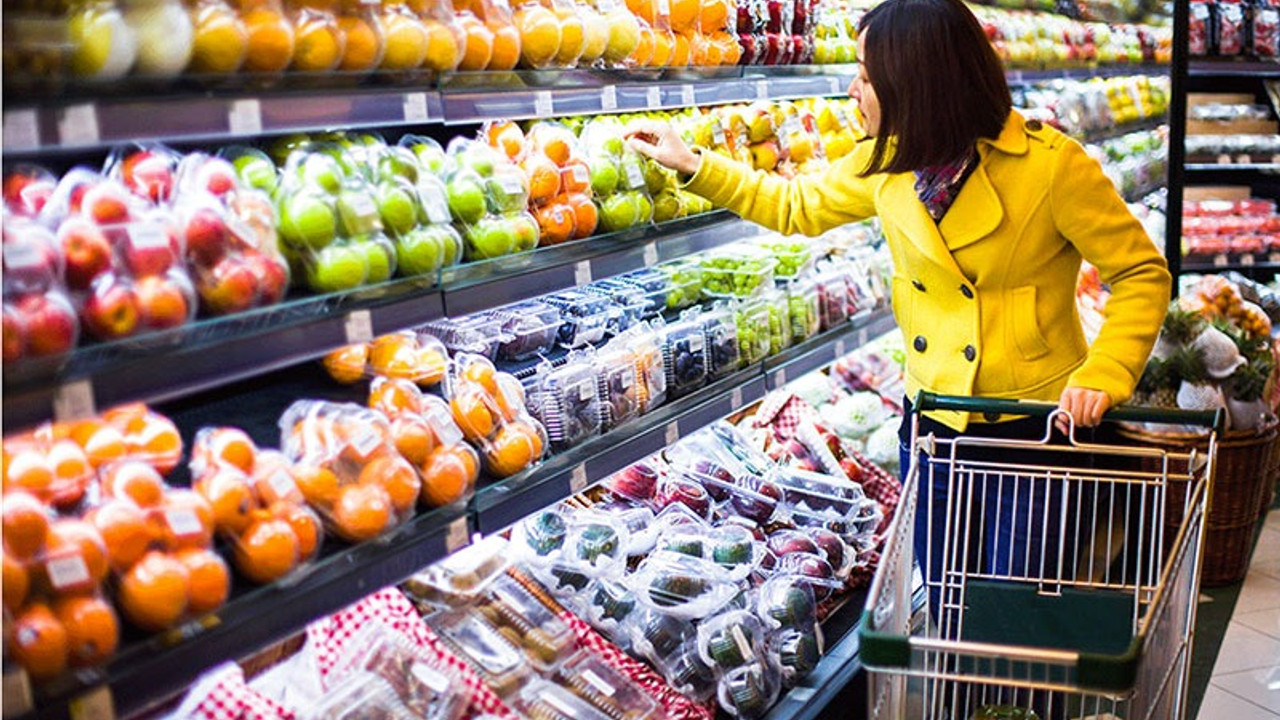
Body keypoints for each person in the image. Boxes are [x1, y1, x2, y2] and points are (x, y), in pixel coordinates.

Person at [626, 0, 1171, 708]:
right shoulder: (889, 165)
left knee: (1009, 618)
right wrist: (694, 163)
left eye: (864, 75)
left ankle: (1009, 711)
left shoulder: (1051, 168)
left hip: (1033, 429)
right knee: (946, 604)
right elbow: (796, 206)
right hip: (935, 423)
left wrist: (1105, 372)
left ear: (917, 81)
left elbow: (1140, 274)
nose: (851, 90)